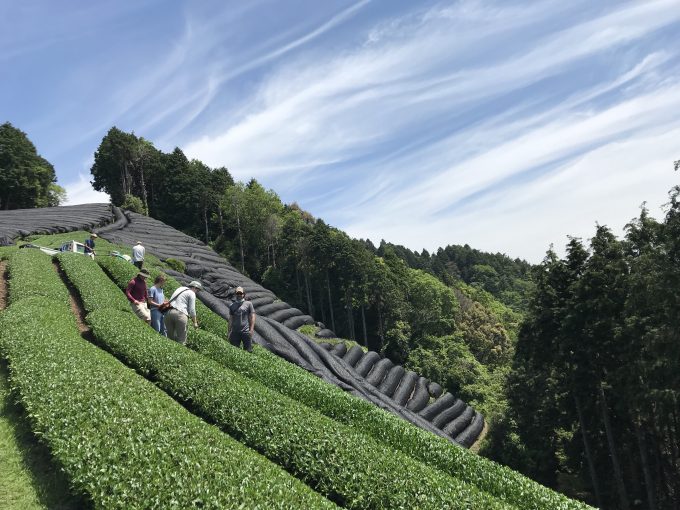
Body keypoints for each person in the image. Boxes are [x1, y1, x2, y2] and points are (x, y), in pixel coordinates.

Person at [228, 286, 255, 352]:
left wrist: (251, 329)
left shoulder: (248, 304)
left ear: (243, 294)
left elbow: (253, 316)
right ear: (235, 294)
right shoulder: (232, 306)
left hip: (245, 332)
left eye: (240, 293)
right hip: (235, 332)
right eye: (238, 293)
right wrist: (229, 331)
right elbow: (231, 319)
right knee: (234, 351)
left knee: (248, 351)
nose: (239, 295)